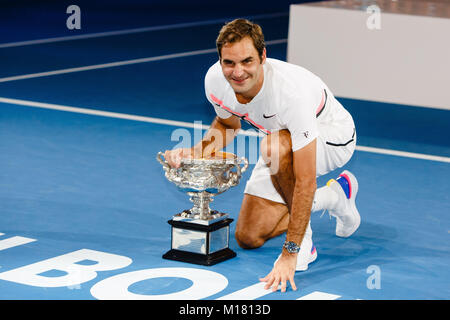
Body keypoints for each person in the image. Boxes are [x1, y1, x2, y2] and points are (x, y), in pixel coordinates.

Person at [164, 18, 360, 293]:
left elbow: (304, 180)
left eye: (247, 61)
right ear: (220, 60)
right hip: (280, 143)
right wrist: (195, 152)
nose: (238, 71)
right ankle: (336, 196)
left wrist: (291, 251)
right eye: (229, 63)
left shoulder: (291, 94)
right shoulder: (215, 81)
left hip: (333, 138)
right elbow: (227, 125)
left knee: (273, 147)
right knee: (248, 236)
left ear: (263, 57)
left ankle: (305, 243)